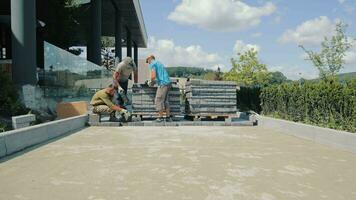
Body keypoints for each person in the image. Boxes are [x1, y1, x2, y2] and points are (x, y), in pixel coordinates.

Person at [146, 54, 173, 122]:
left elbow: (153, 76)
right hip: (168, 82)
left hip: (163, 83)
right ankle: (168, 117)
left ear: (150, 59)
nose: (148, 63)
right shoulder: (159, 63)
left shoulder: (152, 64)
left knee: (158, 99)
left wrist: (150, 82)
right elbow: (160, 75)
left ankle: (160, 118)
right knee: (165, 101)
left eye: (147, 61)